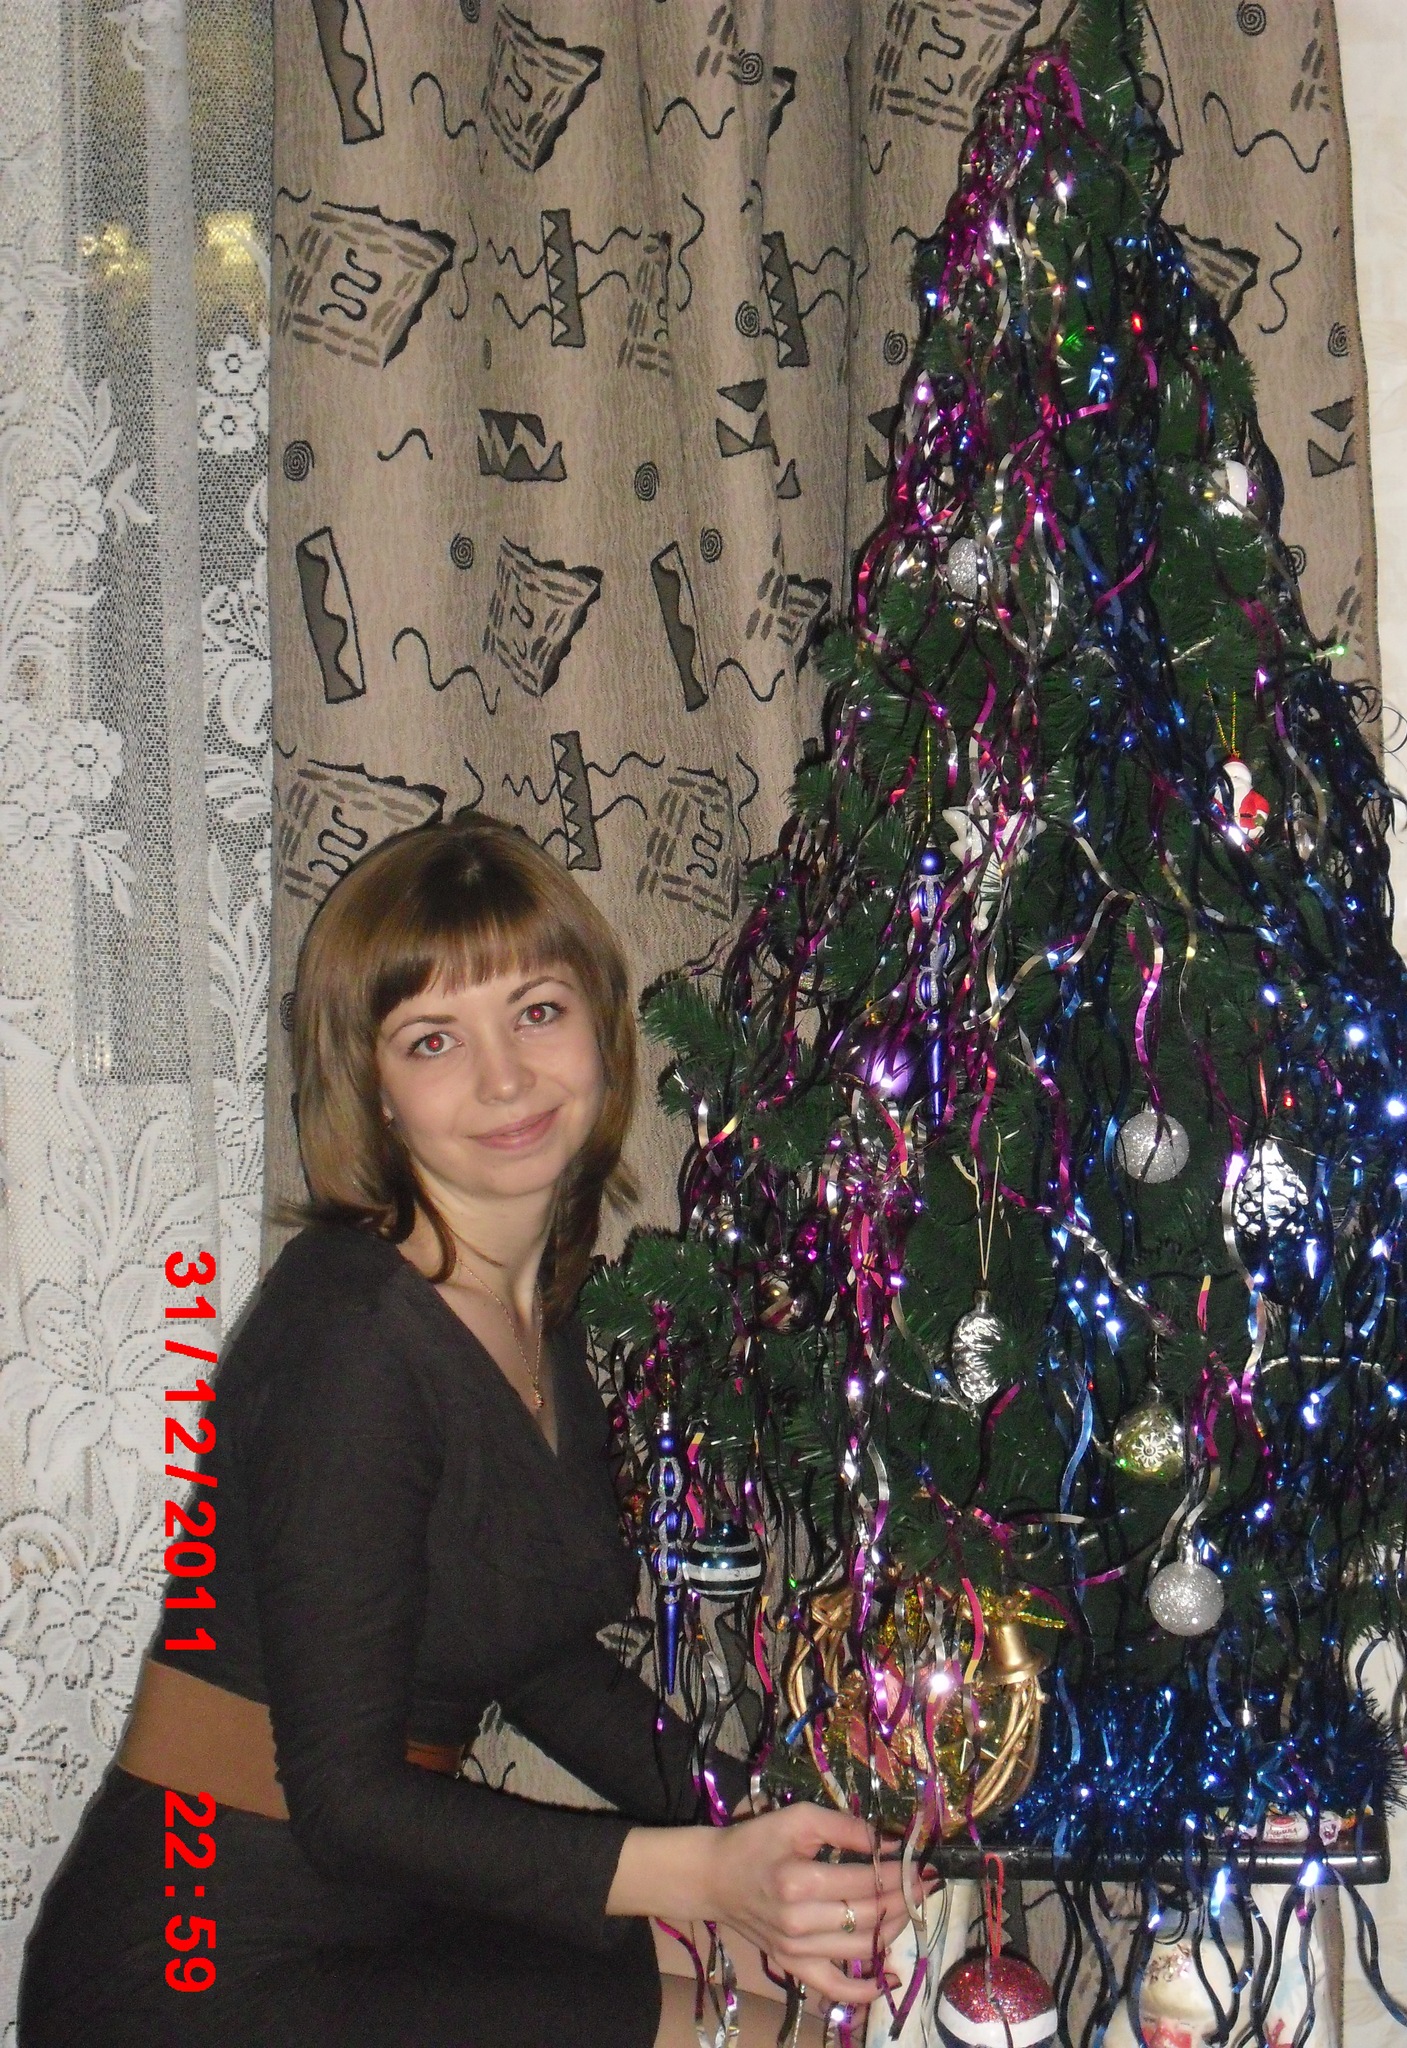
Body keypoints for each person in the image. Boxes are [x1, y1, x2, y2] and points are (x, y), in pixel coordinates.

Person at [17, 816, 923, 2047]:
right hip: (200, 1966)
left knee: (810, 1988)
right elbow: (346, 1802)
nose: (504, 1078)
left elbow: (528, 1657)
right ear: (376, 1092)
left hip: (376, 1910)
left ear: (600, 1031)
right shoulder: (351, 1331)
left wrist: (768, 1817)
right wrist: (710, 1869)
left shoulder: (530, 1311)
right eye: (433, 1038)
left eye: (536, 1010)